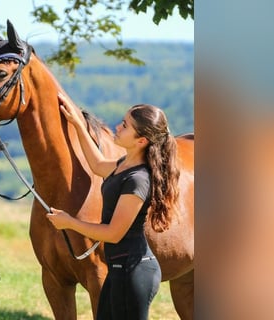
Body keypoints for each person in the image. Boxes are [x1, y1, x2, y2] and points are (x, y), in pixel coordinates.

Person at [47, 93, 180, 320]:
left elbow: (113, 233)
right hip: (118, 270)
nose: (118, 126)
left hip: (134, 273)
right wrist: (79, 124)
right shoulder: (124, 165)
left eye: (126, 125)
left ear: (141, 141)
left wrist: (69, 223)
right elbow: (98, 164)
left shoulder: (138, 179)